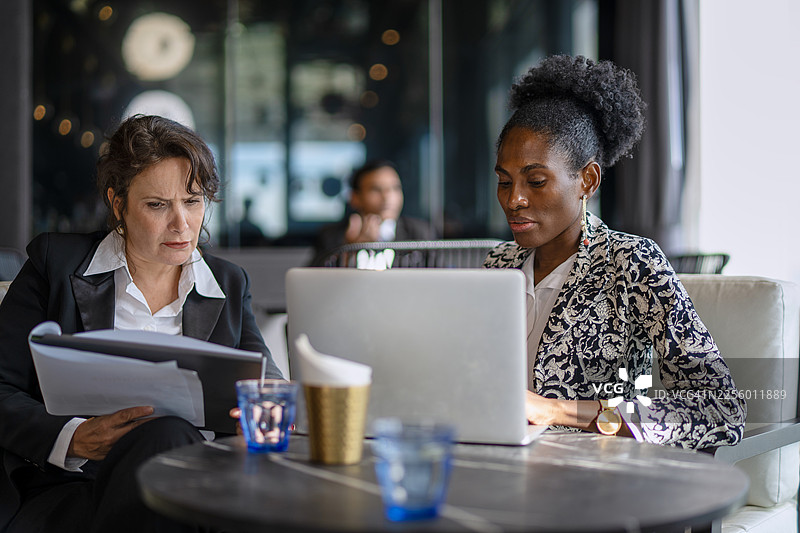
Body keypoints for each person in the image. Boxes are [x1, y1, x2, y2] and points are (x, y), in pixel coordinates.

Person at [0, 115, 284, 532]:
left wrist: (265, 409)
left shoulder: (227, 283)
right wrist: (74, 437)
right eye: (157, 205)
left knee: (170, 439)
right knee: (166, 439)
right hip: (78, 488)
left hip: (199, 484)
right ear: (118, 204)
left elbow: (266, 382)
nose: (181, 224)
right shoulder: (55, 265)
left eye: (192, 201)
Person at [483, 55, 745, 449]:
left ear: (587, 180)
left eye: (535, 181)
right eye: (504, 182)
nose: (513, 200)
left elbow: (720, 409)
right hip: (494, 455)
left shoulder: (631, 264)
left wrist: (556, 410)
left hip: (593, 472)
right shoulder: (498, 264)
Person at [311, 160, 436, 264]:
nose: (387, 197)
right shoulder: (332, 236)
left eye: (395, 188)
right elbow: (315, 278)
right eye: (375, 189)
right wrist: (351, 249)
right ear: (355, 198)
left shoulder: (421, 232)